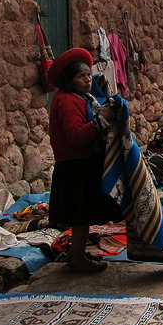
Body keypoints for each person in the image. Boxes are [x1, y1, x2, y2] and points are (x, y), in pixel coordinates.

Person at [48, 48, 122, 272]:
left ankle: (75, 253)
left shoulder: (81, 99)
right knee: (80, 217)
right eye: (82, 76)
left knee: (83, 214)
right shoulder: (67, 102)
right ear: (69, 81)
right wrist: (104, 120)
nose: (88, 79)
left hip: (81, 164)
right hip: (75, 166)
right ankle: (77, 259)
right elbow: (76, 136)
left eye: (88, 75)